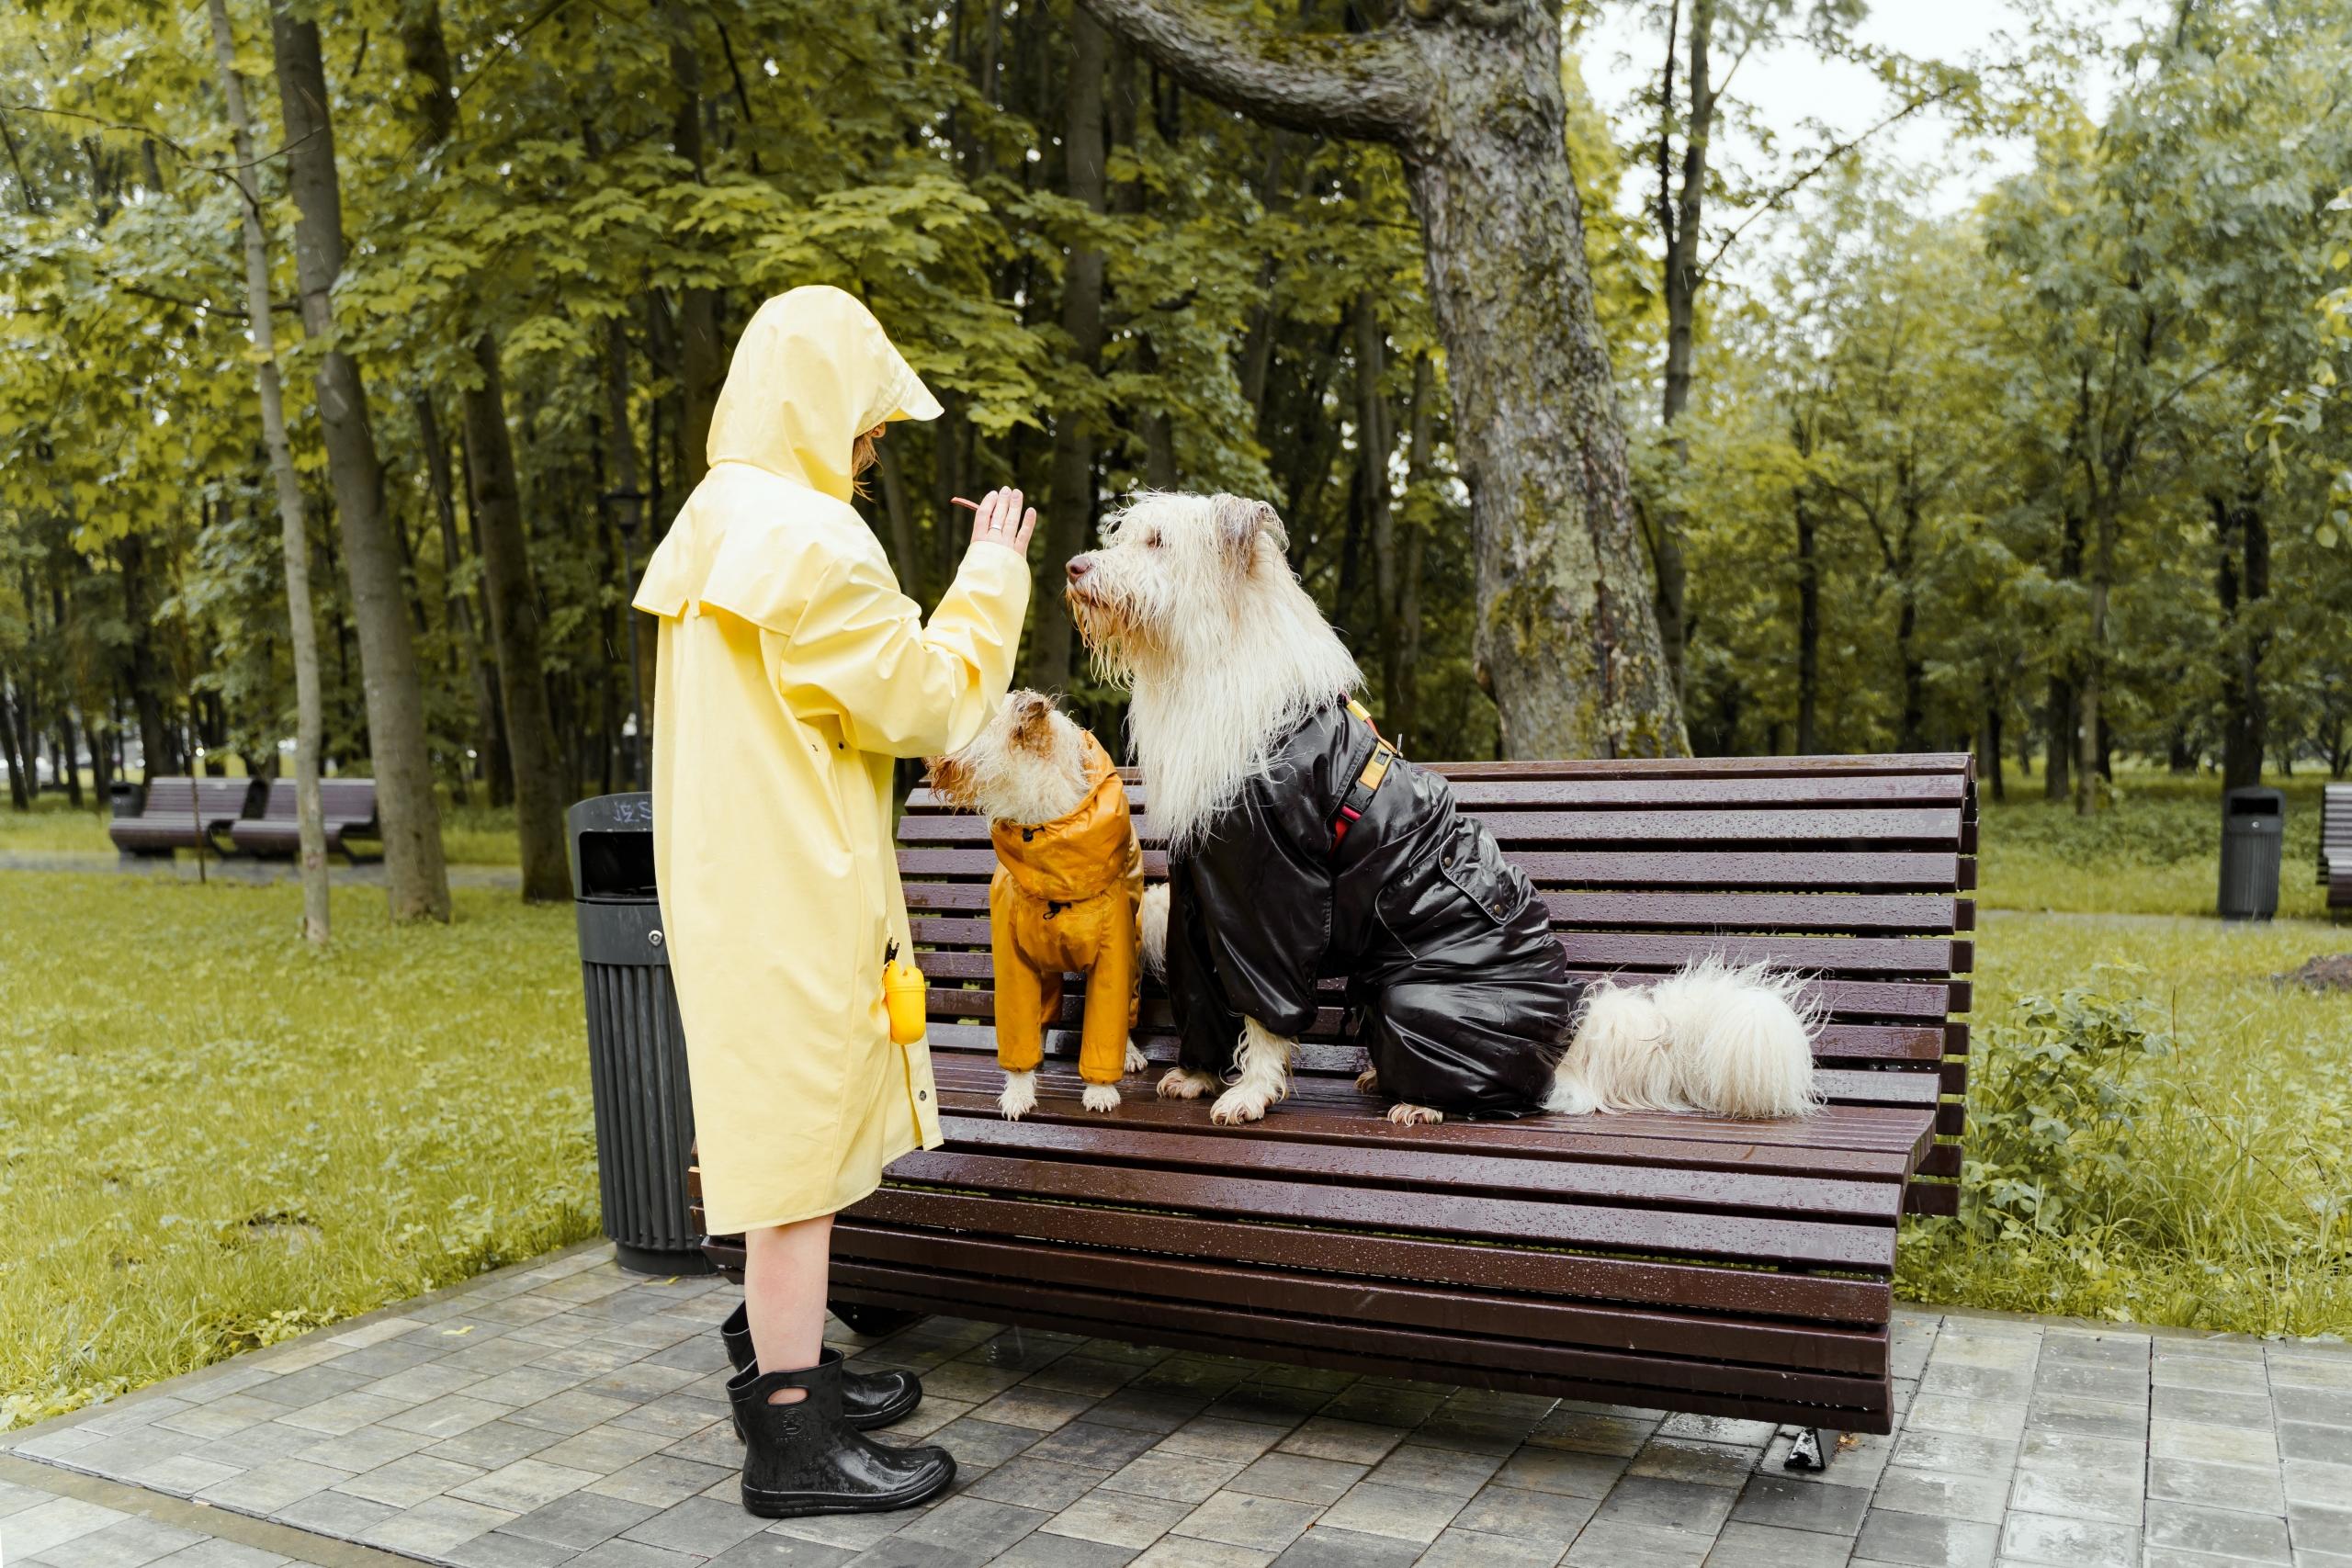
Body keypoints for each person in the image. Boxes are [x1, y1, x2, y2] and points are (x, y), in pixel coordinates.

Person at [632, 286, 1036, 1518]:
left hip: (733, 877)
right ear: (816, 410)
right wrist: (992, 575)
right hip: (793, 888)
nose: (869, 458)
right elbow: (926, 700)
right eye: (866, 431)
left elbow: (828, 705)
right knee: (798, 1164)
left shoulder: (719, 519)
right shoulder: (809, 538)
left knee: (782, 1139)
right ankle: (793, 1447)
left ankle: (790, 1360)